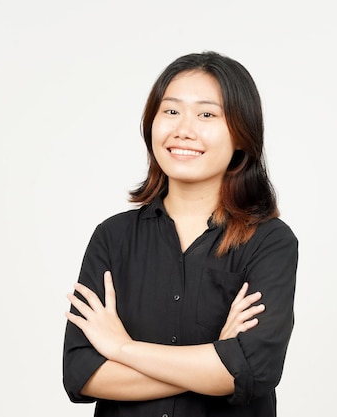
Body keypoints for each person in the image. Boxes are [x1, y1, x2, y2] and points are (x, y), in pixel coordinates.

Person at [62, 50, 298, 417]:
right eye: (171, 111)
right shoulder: (112, 237)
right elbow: (81, 375)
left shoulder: (270, 241)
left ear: (241, 134)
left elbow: (253, 370)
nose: (182, 129)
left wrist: (122, 349)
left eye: (207, 114)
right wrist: (214, 358)